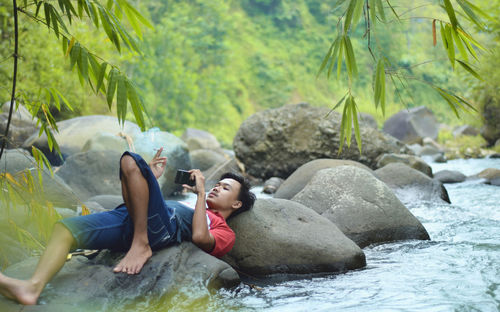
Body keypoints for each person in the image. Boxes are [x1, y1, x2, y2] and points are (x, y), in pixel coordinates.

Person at [0, 148, 256, 305]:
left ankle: (140, 244)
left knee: (130, 160)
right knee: (64, 229)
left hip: (158, 230)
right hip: (131, 218)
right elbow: (145, 205)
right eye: (216, 184)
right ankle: (31, 288)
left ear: (236, 205)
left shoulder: (224, 231)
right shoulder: (196, 209)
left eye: (225, 188)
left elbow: (200, 237)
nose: (215, 188)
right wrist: (149, 182)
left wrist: (200, 194)